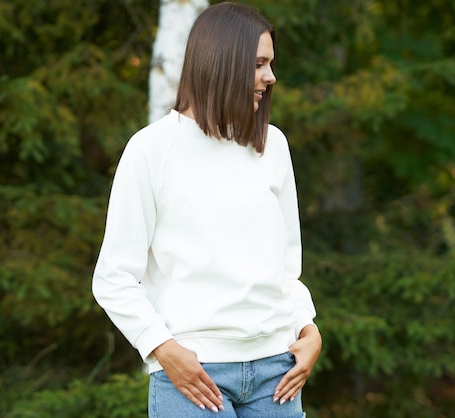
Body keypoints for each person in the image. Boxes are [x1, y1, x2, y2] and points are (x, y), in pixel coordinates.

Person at [92, 2, 321, 417]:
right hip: (193, 377)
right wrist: (162, 348)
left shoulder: (273, 145)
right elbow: (113, 277)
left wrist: (308, 328)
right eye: (258, 64)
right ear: (222, 63)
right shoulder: (151, 150)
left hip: (277, 374)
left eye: (270, 64)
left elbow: (287, 268)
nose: (271, 77)